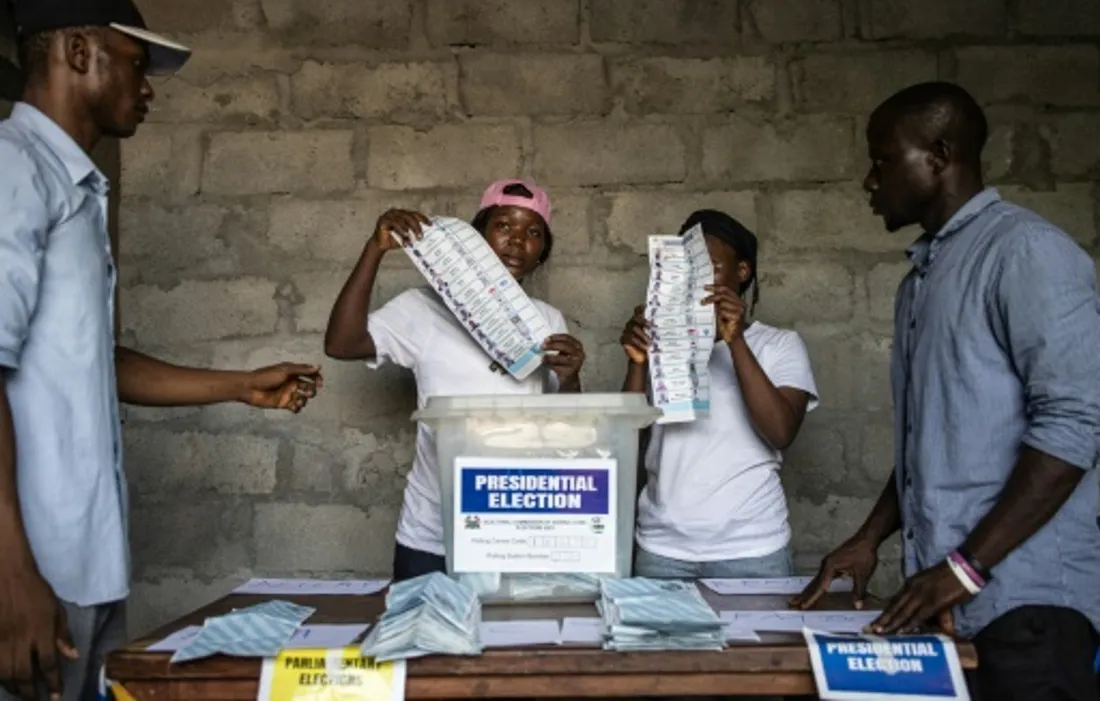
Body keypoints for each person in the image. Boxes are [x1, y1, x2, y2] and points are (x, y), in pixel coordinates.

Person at [0, 0, 323, 700]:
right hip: (30, 572)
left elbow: (90, 365)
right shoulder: (14, 171)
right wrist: (10, 570)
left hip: (81, 564)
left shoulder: (74, 189)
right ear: (78, 52)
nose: (147, 90)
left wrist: (240, 385)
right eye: (136, 64)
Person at [792, 81, 1100, 701]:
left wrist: (966, 567)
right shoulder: (923, 278)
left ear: (939, 155)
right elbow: (930, 444)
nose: (869, 181)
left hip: (1029, 605)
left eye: (882, 161)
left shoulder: (1025, 252)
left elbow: (1075, 426)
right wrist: (870, 537)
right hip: (952, 601)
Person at [324, 179, 586, 581]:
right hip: (432, 533)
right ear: (476, 238)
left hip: (514, 532)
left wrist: (570, 379)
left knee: (506, 642)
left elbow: (565, 431)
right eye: (503, 226)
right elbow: (342, 344)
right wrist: (374, 249)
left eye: (533, 233)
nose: (517, 241)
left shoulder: (547, 321)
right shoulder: (421, 310)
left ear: (542, 254)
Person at [622, 210, 819, 579]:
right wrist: (637, 363)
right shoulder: (663, 344)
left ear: (741, 273)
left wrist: (735, 341)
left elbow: (780, 432)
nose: (694, 279)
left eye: (708, 266)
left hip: (751, 548)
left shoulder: (779, 345)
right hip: (662, 548)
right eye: (686, 267)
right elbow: (628, 442)